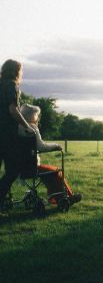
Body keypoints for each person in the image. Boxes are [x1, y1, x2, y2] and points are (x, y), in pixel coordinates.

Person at [18, 104, 81, 205]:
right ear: (31, 116)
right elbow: (41, 147)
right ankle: (67, 197)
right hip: (31, 166)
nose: (38, 117)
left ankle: (60, 197)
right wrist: (56, 146)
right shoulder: (32, 128)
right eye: (36, 115)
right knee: (55, 171)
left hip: (18, 167)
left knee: (49, 172)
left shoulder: (16, 127)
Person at [0, 59, 35, 213]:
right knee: (13, 169)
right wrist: (27, 126)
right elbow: (13, 110)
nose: (22, 73)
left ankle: (4, 202)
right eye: (21, 70)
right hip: (6, 134)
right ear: (16, 71)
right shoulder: (11, 85)